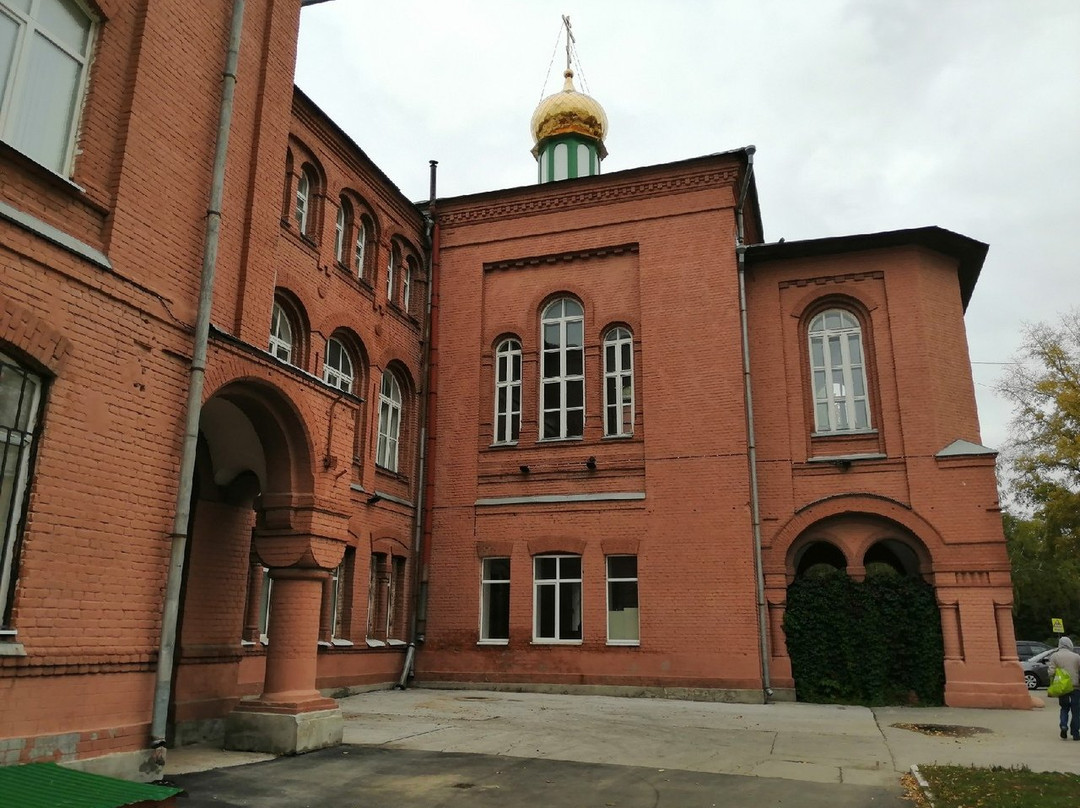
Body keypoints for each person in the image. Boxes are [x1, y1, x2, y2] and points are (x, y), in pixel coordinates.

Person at [1048, 636, 1080, 740]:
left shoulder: (1054, 656)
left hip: (1062, 687)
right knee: (1076, 711)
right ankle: (1075, 733)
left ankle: (1063, 725)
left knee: (1064, 708)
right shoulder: (1076, 656)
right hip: (1075, 687)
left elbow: (1051, 672)